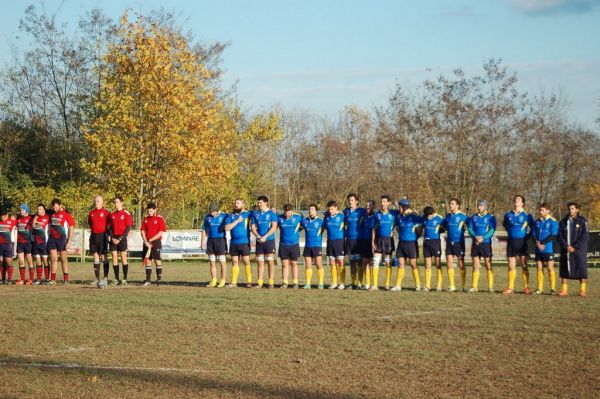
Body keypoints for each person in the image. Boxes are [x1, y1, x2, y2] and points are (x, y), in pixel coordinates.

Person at [502, 195, 535, 295]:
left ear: (522, 203)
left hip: (522, 242)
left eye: (519, 199)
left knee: (524, 265)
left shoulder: (527, 215)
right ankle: (510, 287)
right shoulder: (508, 214)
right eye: (515, 199)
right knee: (511, 265)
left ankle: (526, 287)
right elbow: (506, 226)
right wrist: (512, 234)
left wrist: (526, 237)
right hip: (511, 242)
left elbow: (533, 228)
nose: (516, 200)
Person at [557, 202, 589, 297]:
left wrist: (575, 247)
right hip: (566, 249)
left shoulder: (583, 221)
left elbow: (585, 236)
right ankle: (564, 290)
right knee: (564, 269)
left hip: (578, 250)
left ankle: (582, 290)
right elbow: (559, 236)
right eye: (569, 209)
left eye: (572, 209)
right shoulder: (563, 222)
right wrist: (566, 246)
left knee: (581, 269)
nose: (570, 211)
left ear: (577, 209)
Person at [391, 199, 424, 291]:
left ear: (405, 207)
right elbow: (398, 228)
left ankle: (418, 285)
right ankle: (398, 285)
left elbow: (421, 227)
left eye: (400, 207)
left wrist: (415, 236)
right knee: (401, 264)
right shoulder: (399, 217)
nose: (398, 208)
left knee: (413, 263)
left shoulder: (414, 217)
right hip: (401, 242)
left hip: (411, 243)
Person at [467, 200, 496, 293]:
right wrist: (475, 237)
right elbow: (470, 229)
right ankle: (474, 286)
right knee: (475, 265)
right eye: (478, 206)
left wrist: (483, 238)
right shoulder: (473, 217)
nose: (479, 207)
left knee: (488, 265)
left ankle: (490, 287)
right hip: (476, 243)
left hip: (486, 243)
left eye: (481, 206)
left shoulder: (490, 217)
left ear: (485, 207)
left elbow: (492, 230)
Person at [223, 199, 253, 288]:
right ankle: (233, 282)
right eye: (235, 203)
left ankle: (249, 281)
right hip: (234, 242)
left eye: (238, 203)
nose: (236, 204)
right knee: (235, 261)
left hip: (244, 242)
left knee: (246, 261)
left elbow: (259, 213)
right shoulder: (230, 216)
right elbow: (227, 228)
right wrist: (237, 221)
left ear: (243, 205)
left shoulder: (248, 214)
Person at [531, 203, 559, 295]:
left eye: (542, 210)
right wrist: (537, 243)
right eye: (540, 210)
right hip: (538, 248)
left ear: (548, 211)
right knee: (539, 268)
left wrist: (542, 243)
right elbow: (533, 234)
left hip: (548, 249)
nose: (540, 212)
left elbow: (553, 235)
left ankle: (552, 289)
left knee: (550, 268)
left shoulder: (553, 221)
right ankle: (540, 288)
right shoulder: (537, 222)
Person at [251, 196, 278, 289]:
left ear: (266, 203)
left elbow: (274, 227)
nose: (259, 204)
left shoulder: (272, 214)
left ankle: (271, 282)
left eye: (261, 202)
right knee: (260, 262)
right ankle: (260, 282)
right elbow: (253, 227)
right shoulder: (255, 214)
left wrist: (265, 237)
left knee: (270, 261)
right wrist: (258, 236)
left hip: (269, 240)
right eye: (258, 203)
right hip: (259, 241)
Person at [441, 198, 468, 292]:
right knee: (449, 263)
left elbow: (470, 225)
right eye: (450, 204)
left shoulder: (463, 216)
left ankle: (463, 286)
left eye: (452, 204)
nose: (450, 205)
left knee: (461, 263)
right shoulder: (448, 216)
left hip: (459, 242)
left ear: (457, 205)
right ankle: (452, 286)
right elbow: (442, 225)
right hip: (449, 242)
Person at [47, 199, 75, 285]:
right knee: (53, 259)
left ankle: (66, 280)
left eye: (56, 207)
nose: (54, 209)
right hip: (52, 239)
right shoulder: (51, 213)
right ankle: (52, 279)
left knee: (63, 259)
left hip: (62, 239)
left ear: (60, 205)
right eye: (53, 207)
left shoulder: (66, 214)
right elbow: (40, 213)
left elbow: (71, 227)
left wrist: (69, 241)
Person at [200, 203, 228, 288]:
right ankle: (214, 280)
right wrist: (202, 242)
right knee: (212, 262)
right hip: (210, 241)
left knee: (222, 262)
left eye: (213, 211)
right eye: (210, 211)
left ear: (217, 210)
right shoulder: (207, 217)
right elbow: (205, 230)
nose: (212, 213)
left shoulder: (224, 216)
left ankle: (223, 280)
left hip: (220, 240)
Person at [371, 195, 395, 291]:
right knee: (375, 261)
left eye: (384, 201)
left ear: (389, 203)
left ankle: (387, 284)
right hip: (378, 240)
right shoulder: (377, 214)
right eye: (381, 202)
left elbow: (401, 220)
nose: (382, 204)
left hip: (388, 241)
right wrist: (372, 242)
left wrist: (394, 230)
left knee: (387, 263)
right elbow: (374, 229)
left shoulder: (394, 213)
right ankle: (375, 285)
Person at [108, 196, 134, 285]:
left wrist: (120, 238)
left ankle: (124, 279)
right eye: (115, 202)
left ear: (122, 203)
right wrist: (112, 237)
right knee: (114, 257)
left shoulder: (126, 213)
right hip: (113, 238)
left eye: (117, 202)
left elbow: (128, 228)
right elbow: (109, 227)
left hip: (122, 238)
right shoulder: (112, 214)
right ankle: (116, 279)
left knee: (123, 258)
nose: (116, 204)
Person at [141, 202, 167, 286]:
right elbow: (142, 231)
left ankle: (158, 280)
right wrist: (145, 241)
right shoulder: (145, 219)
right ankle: (148, 280)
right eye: (148, 211)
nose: (149, 213)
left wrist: (151, 240)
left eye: (151, 211)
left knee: (157, 260)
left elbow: (161, 232)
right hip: (147, 243)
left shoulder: (159, 218)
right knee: (148, 261)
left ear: (155, 210)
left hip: (155, 242)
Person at [343, 193, 366, 290]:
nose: (350, 202)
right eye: (349, 200)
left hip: (359, 240)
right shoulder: (346, 211)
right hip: (349, 240)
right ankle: (352, 283)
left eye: (352, 200)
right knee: (352, 262)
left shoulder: (362, 211)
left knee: (359, 262)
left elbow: (371, 214)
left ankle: (360, 283)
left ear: (356, 201)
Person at [278, 204, 303, 288]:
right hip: (283, 244)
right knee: (284, 264)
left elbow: (305, 223)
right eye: (285, 212)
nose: (287, 214)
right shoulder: (280, 218)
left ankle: (295, 282)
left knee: (294, 263)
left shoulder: (298, 217)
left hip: (294, 244)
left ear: (292, 211)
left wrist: (298, 230)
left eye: (288, 212)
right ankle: (285, 282)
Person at [300, 204, 325, 289]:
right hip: (307, 246)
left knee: (318, 264)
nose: (310, 211)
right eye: (309, 209)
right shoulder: (304, 221)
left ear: (316, 211)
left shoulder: (321, 221)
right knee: (308, 264)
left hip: (317, 246)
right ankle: (307, 284)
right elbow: (298, 225)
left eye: (312, 209)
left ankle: (321, 283)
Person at [88, 196, 111, 285]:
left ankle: (105, 278)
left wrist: (108, 235)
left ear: (102, 202)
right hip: (94, 236)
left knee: (104, 257)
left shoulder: (106, 213)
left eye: (98, 201)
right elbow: (90, 224)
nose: (96, 202)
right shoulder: (91, 213)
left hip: (103, 236)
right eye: (95, 201)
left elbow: (109, 225)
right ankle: (97, 279)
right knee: (95, 256)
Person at [323, 200, 345, 289]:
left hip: (339, 241)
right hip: (330, 241)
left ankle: (342, 283)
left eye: (332, 209)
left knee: (340, 261)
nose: (330, 211)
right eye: (329, 209)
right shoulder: (326, 217)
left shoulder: (342, 216)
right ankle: (334, 282)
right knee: (332, 262)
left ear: (336, 208)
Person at [422, 206, 444, 292]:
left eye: (429, 215)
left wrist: (440, 231)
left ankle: (439, 286)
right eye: (427, 216)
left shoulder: (439, 218)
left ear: (433, 213)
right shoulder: (424, 217)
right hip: (426, 242)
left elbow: (445, 227)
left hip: (435, 242)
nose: (428, 217)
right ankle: (427, 286)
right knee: (427, 264)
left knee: (438, 263)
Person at [358, 200, 376, 289]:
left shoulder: (375, 216)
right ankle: (367, 283)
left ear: (373, 207)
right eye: (366, 205)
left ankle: (374, 283)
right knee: (365, 262)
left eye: (369, 205)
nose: (367, 207)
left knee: (373, 263)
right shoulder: (363, 217)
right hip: (364, 241)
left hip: (373, 242)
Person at [15, 204, 35, 285]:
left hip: (28, 243)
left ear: (27, 210)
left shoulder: (30, 218)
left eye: (23, 210)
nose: (21, 211)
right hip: (20, 243)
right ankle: (22, 279)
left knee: (29, 260)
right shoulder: (18, 219)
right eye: (20, 210)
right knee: (21, 261)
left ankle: (31, 279)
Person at [31, 204, 50, 284]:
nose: (38, 210)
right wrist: (35, 219)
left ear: (44, 210)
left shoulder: (48, 217)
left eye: (40, 209)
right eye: (37, 209)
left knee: (45, 260)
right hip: (36, 242)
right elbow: (33, 226)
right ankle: (38, 279)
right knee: (38, 260)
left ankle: (47, 279)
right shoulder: (36, 217)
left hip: (44, 243)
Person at [0, 208, 17, 284]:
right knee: (1, 261)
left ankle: (9, 279)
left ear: (7, 215)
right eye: (1, 217)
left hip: (8, 245)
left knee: (9, 262)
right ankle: (3, 279)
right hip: (0, 245)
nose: (3, 218)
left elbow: (18, 223)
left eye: (4, 216)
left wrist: (14, 219)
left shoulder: (11, 221)